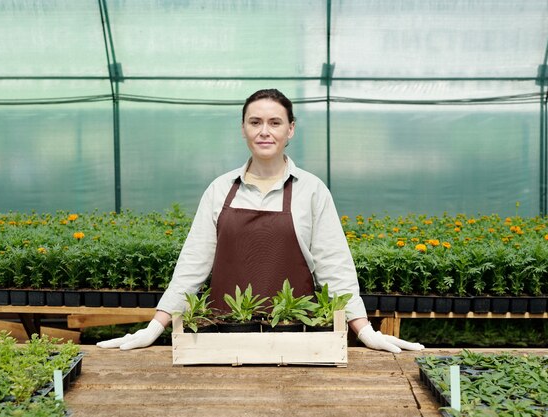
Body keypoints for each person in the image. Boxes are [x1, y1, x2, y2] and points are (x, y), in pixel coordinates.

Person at [97, 89, 424, 354]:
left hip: (299, 339)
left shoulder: (311, 190)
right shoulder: (220, 189)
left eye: (275, 122)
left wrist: (365, 331)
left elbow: (334, 266)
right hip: (224, 338)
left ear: (290, 129)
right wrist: (154, 327)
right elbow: (193, 264)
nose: (264, 131)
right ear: (243, 129)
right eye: (255, 122)